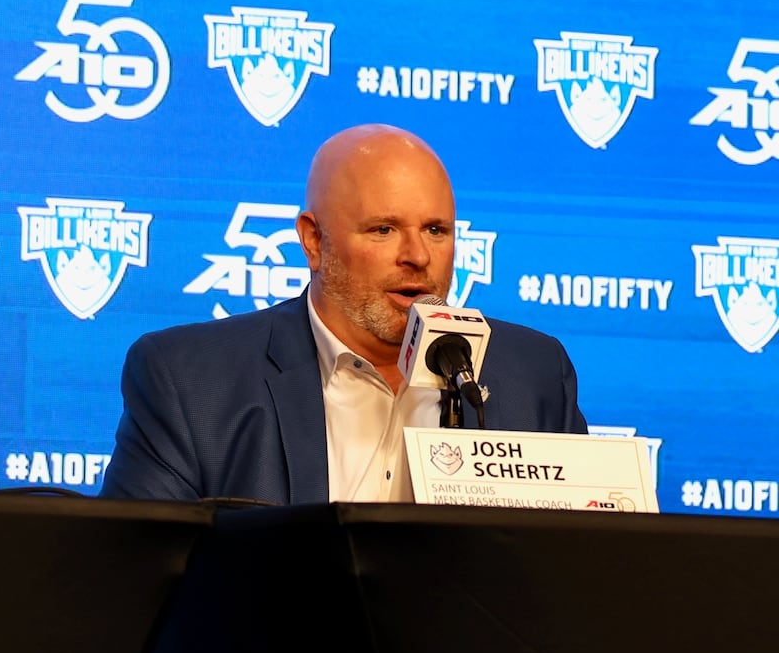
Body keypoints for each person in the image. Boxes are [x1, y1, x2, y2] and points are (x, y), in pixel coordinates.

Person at [100, 124, 586, 503]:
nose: (418, 255)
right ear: (314, 240)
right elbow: (135, 585)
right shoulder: (190, 381)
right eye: (383, 230)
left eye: (437, 230)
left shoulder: (534, 375)